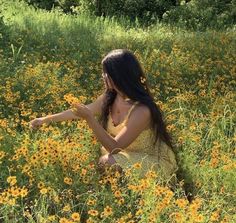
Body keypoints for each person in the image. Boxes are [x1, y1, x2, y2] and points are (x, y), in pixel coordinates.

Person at [30, 49, 179, 186]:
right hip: (127, 155)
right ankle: (121, 187)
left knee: (107, 162)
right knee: (94, 160)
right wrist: (44, 120)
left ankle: (130, 191)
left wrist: (90, 119)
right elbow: (79, 111)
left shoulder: (142, 110)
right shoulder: (110, 98)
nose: (103, 76)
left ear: (119, 76)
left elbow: (114, 148)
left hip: (151, 159)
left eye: (106, 73)